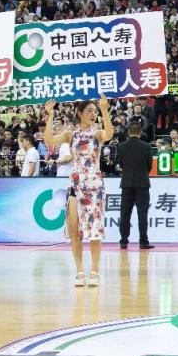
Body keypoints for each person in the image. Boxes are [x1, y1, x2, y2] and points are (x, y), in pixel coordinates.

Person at [44, 97, 114, 287]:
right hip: (75, 185)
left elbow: (109, 134)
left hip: (94, 186)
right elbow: (49, 140)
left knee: (94, 230)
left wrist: (105, 110)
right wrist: (50, 115)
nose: (93, 114)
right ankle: (80, 271)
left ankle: (95, 271)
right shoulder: (71, 134)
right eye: (89, 110)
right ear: (79, 113)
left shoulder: (97, 133)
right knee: (74, 229)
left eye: (95, 111)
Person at [117, 122, 154, 250]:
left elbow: (121, 164)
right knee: (142, 214)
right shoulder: (146, 146)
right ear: (140, 132)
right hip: (142, 183)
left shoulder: (121, 146)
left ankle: (123, 241)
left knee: (125, 214)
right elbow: (149, 165)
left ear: (128, 132)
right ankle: (143, 241)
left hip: (126, 183)